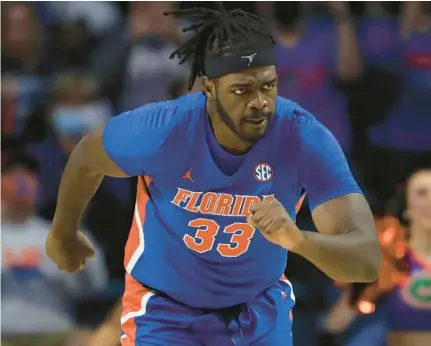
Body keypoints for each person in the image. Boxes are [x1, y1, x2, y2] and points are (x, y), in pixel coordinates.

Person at [45, 4, 381, 346]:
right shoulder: (163, 129)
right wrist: (63, 233)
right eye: (242, 90)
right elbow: (87, 156)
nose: (259, 102)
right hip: (164, 310)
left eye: (268, 86)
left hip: (258, 308)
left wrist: (300, 241)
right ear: (209, 88)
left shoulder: (303, 136)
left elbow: (366, 261)